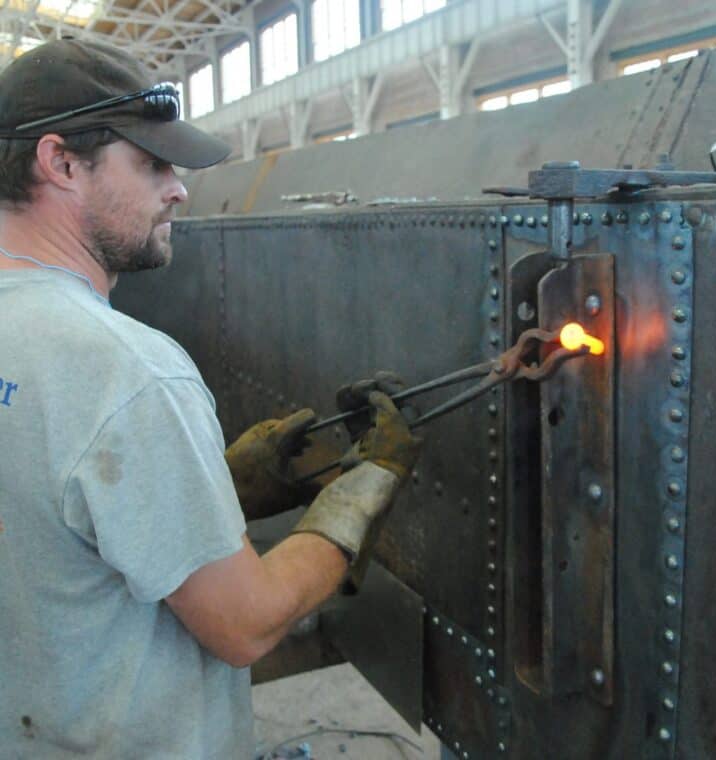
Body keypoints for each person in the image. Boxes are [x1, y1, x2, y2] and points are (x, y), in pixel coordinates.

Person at [0, 39, 422, 758]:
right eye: (153, 163)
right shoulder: (129, 373)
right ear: (60, 162)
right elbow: (245, 625)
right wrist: (360, 494)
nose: (179, 189)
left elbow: (55, 510)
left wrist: (222, 482)